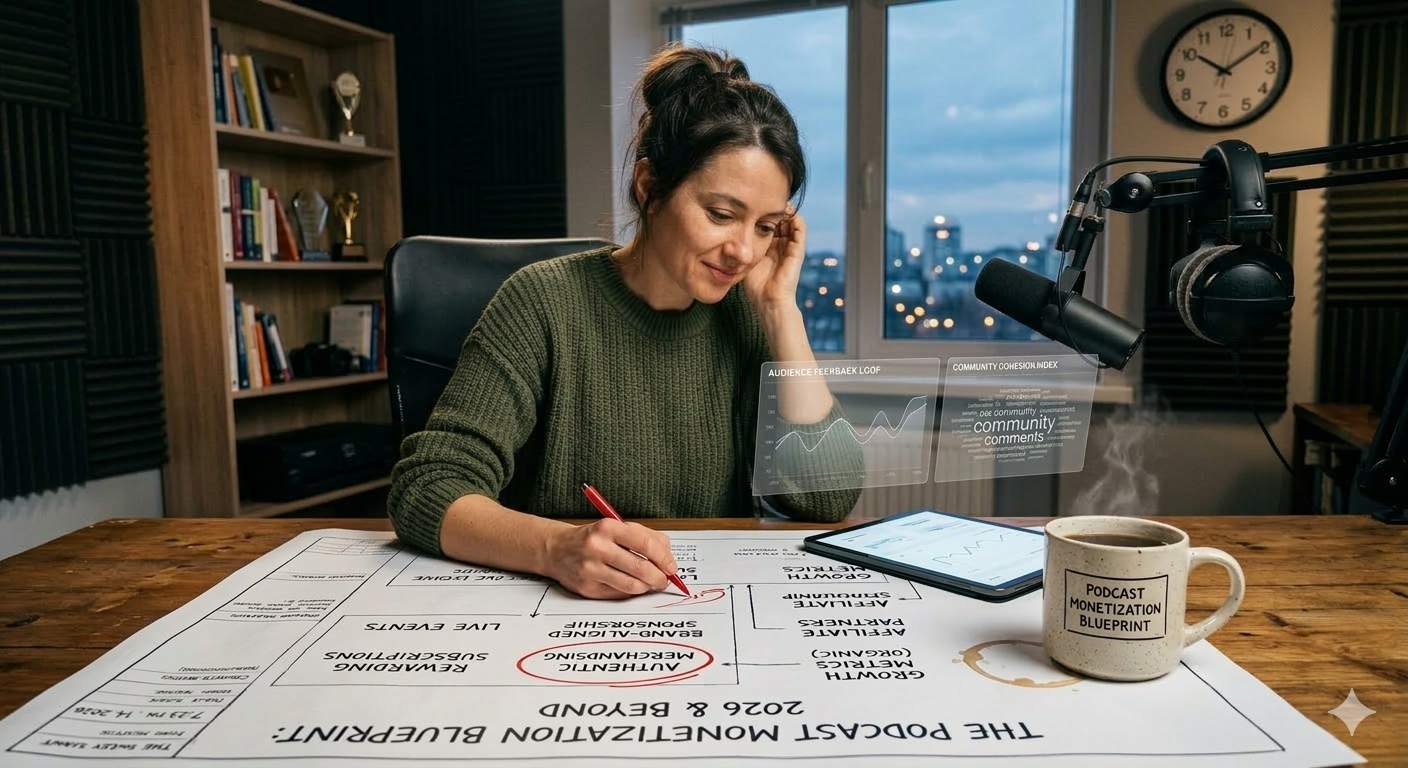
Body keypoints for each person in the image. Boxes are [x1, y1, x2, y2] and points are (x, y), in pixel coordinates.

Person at [387, 43, 862, 600]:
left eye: (765, 227)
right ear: (648, 186)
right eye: (721, 214)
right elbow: (427, 487)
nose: (742, 251)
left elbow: (827, 500)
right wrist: (556, 548)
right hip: (553, 607)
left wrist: (782, 311)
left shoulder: (747, 314)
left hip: (697, 610)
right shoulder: (542, 301)